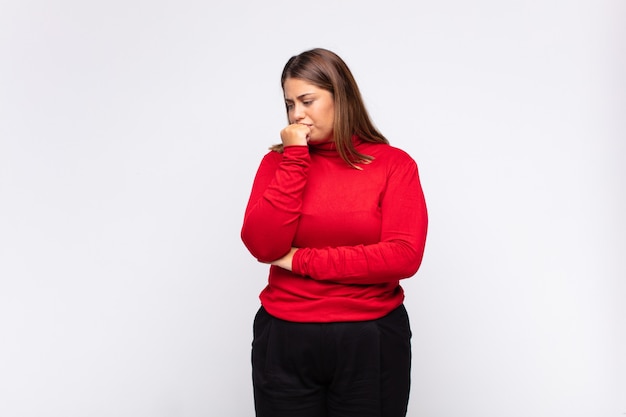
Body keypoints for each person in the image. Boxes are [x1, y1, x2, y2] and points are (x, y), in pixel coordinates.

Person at [240, 48, 428, 417]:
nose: (297, 115)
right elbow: (263, 244)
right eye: (290, 104)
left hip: (370, 339)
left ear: (340, 96)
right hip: (284, 337)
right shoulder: (277, 163)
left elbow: (403, 255)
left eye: (307, 101)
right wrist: (295, 158)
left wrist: (301, 259)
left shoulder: (393, 165)